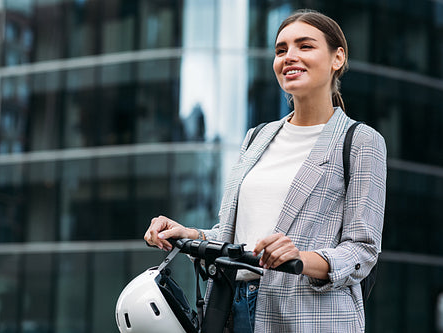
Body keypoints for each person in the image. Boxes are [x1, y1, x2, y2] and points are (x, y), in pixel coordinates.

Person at [145, 9, 387, 333]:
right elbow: (235, 240)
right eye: (281, 49)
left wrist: (300, 258)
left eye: (305, 46)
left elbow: (362, 250)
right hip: (234, 309)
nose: (289, 56)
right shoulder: (257, 137)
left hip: (310, 317)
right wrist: (190, 235)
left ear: (337, 58)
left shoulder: (360, 141)